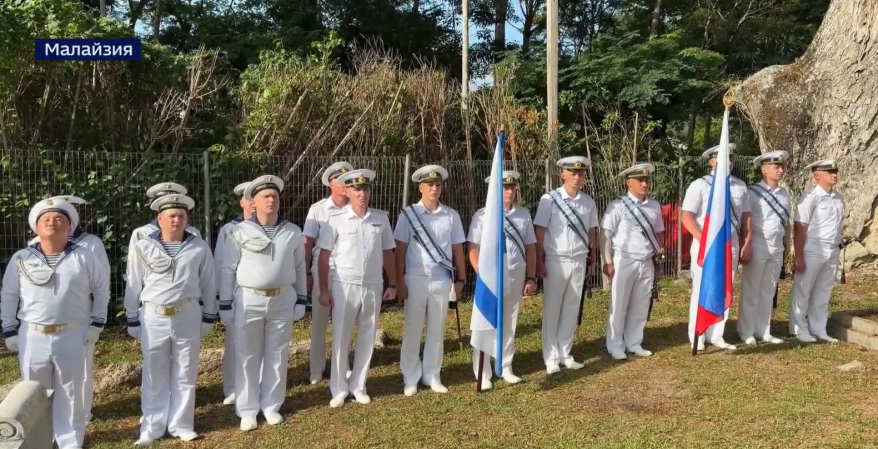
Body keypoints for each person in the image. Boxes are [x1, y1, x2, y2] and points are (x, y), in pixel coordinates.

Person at [1, 197, 110, 449]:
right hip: (32, 335)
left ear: (70, 227)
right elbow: (9, 295)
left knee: (71, 391)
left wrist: (96, 324)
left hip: (71, 333)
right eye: (46, 219)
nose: (52, 223)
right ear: (36, 228)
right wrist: (9, 330)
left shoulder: (84, 256)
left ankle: (70, 441)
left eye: (60, 219)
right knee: (34, 392)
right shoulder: (21, 258)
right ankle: (40, 440)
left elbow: (102, 290)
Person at [125, 194, 216, 445]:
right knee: (154, 373)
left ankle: (182, 424)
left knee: (185, 372)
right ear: (159, 219)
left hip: (187, 314)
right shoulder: (143, 246)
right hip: (153, 316)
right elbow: (133, 283)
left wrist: (209, 315)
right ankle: (152, 428)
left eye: (181, 216)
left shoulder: (199, 246)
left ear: (187, 219)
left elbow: (209, 282)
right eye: (171, 216)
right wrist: (132, 317)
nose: (176, 220)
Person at [220, 175, 308, 431]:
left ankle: (271, 405)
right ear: (253, 203)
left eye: (274, 196)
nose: (271, 200)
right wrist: (225, 303)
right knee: (247, 355)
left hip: (282, 299)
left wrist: (302, 299)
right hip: (249, 299)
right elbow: (228, 269)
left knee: (277, 353)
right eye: (265, 196)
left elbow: (300, 268)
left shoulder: (292, 231)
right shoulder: (239, 232)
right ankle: (247, 410)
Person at [317, 169, 397, 407]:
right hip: (344, 284)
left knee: (368, 335)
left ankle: (359, 385)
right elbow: (324, 257)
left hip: (373, 284)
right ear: (348, 191)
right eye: (357, 189)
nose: (362, 194)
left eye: (365, 189)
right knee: (341, 336)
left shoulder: (380, 219)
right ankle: (339, 389)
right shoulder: (336, 220)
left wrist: (393, 283)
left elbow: (388, 252)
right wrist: (323, 289)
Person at [27, 195, 109, 423]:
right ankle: (48, 418)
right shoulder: (34, 245)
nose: (58, 219)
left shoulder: (91, 243)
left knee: (80, 370)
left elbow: (101, 283)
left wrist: (95, 320)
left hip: (78, 315)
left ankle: (81, 414)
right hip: (43, 321)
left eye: (67, 213)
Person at [395, 165, 466, 397]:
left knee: (436, 330)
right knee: (413, 329)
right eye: (429, 185)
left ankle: (433, 375)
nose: (434, 188)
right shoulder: (408, 215)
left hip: (441, 279)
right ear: (420, 188)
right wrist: (399, 282)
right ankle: (410, 377)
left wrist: (461, 279)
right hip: (415, 278)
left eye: (437, 185)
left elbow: (458, 249)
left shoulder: (451, 215)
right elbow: (400, 251)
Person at [468, 170, 537, 390]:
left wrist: (531, 277)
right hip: (490, 277)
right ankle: (484, 371)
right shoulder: (483, 215)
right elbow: (473, 249)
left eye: (512, 187)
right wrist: (483, 272)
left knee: (509, 321)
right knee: (486, 321)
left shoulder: (523, 215)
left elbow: (530, 247)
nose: (508, 191)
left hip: (515, 274)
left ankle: (506, 366)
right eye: (504, 187)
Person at [682, 144, 752, 351]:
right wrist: (702, 239)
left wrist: (747, 242)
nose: (728, 162)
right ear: (711, 161)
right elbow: (687, 215)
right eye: (722, 158)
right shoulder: (700, 185)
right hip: (707, 246)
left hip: (730, 244)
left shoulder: (739, 186)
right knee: (702, 289)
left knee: (725, 288)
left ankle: (717, 334)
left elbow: (746, 217)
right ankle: (698, 334)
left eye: (730, 158)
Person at [533, 156, 598, 374]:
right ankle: (551, 358)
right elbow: (539, 232)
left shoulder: (588, 202)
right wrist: (539, 261)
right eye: (573, 173)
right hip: (555, 259)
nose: (578, 177)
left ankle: (565, 353)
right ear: (563, 174)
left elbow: (591, 232)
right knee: (552, 309)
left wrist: (593, 257)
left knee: (571, 307)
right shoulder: (549, 199)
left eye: (581, 174)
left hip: (579, 259)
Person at [600, 163, 664, 360]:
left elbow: (658, 232)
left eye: (647, 180)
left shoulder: (654, 206)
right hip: (624, 259)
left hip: (646, 260)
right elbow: (605, 236)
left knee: (641, 303)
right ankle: (615, 345)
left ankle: (634, 342)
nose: (645, 184)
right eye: (640, 181)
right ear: (629, 183)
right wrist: (608, 261)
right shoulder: (617, 206)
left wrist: (659, 257)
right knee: (619, 303)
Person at [304, 161, 353, 385]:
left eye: (347, 180)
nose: (344, 185)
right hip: (322, 270)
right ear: (330, 185)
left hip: (347, 272)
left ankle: (343, 366)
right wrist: (307, 273)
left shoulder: (356, 208)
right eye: (340, 181)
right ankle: (316, 368)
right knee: (320, 324)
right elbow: (307, 242)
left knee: (344, 322)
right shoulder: (318, 210)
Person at [738, 151, 791, 345]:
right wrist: (746, 244)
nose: (780, 170)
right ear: (764, 170)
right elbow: (746, 222)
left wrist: (788, 246)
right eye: (776, 167)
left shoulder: (784, 194)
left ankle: (763, 330)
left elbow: (786, 223)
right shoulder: (752, 193)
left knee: (769, 290)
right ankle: (746, 331)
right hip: (758, 243)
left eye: (781, 166)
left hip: (777, 245)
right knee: (751, 289)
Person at [789, 159, 844, 343]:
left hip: (832, 248)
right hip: (813, 248)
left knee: (823, 290)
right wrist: (799, 255)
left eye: (834, 170)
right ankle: (798, 328)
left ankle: (818, 327)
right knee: (803, 290)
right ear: (816, 175)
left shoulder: (838, 197)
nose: (834, 174)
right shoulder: (810, 196)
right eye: (829, 171)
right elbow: (799, 226)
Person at [214, 182, 253, 406]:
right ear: (241, 202)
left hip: (257, 294)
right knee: (234, 343)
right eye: (248, 199)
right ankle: (231, 387)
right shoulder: (230, 229)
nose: (253, 203)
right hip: (236, 292)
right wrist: (222, 297)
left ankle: (254, 386)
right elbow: (221, 264)